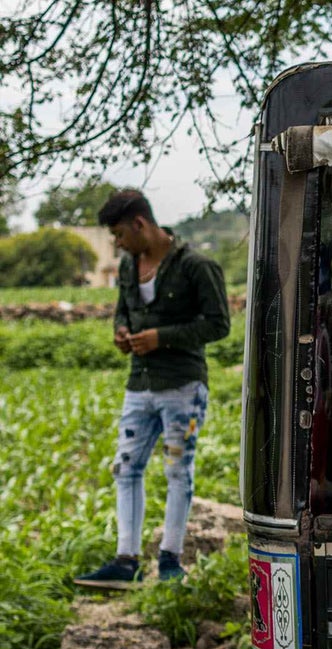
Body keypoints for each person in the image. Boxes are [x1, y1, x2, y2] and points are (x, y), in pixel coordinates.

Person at [73, 190, 230, 589]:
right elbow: (122, 312)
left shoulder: (197, 265)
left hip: (182, 386)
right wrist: (121, 333)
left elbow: (218, 324)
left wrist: (163, 337)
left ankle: (170, 560)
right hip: (139, 384)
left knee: (178, 470)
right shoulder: (128, 267)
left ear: (139, 224)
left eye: (119, 234)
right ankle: (126, 561)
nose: (117, 243)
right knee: (126, 468)